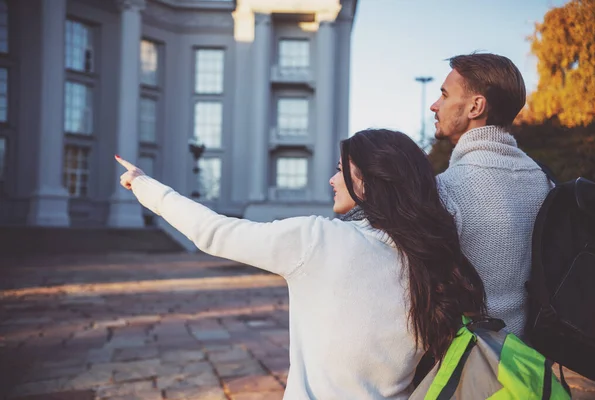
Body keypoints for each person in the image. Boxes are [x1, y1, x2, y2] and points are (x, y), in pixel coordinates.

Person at [116, 128, 485, 399]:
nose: (331, 179)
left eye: (341, 169)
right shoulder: (430, 262)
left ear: (369, 180)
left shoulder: (318, 240)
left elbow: (214, 231)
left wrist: (146, 186)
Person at [431, 53, 553, 339]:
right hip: (525, 360)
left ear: (475, 106)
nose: (435, 105)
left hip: (468, 364)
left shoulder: (445, 188)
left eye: (445, 95)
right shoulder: (544, 180)